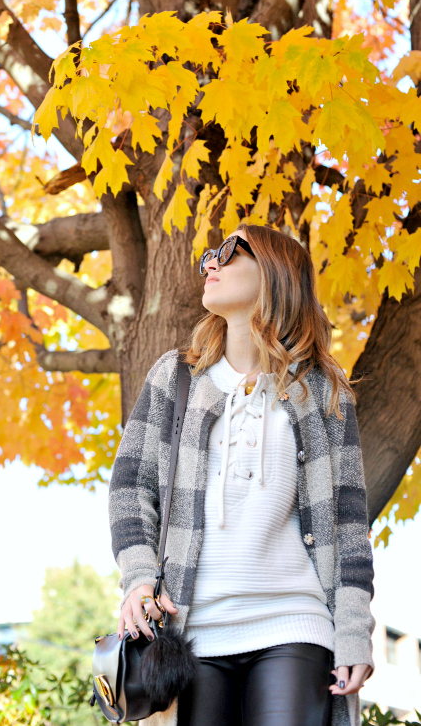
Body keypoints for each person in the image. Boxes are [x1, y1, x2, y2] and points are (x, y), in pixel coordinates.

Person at [108, 224, 374, 726]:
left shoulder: (324, 394)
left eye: (229, 251)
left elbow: (348, 527)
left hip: (296, 623)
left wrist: (354, 629)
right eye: (210, 254)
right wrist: (140, 579)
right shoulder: (175, 378)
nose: (211, 262)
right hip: (193, 633)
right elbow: (130, 487)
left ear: (275, 272)